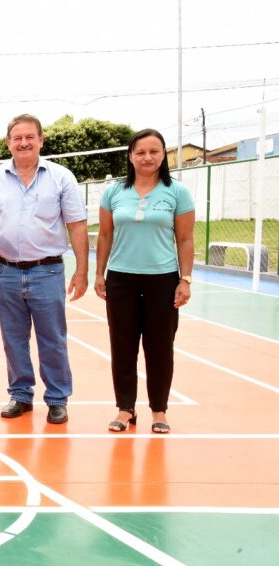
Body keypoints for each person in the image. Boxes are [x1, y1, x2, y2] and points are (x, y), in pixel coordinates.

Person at [0, 114, 88, 425]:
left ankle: (57, 399)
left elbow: (77, 225)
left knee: (53, 339)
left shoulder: (61, 178)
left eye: (29, 137)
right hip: (5, 272)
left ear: (41, 140)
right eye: (17, 138)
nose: (23, 143)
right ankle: (20, 395)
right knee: (13, 338)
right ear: (8, 142)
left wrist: (81, 271)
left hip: (47, 272)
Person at [95, 129, 194, 434]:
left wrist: (185, 280)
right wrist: (99, 273)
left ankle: (159, 410)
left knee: (160, 347)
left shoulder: (177, 192)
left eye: (154, 151)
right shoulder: (113, 192)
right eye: (140, 152)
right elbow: (105, 235)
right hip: (121, 279)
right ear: (130, 156)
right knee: (123, 346)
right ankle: (125, 408)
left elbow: (185, 239)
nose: (147, 157)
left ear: (164, 155)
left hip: (162, 280)